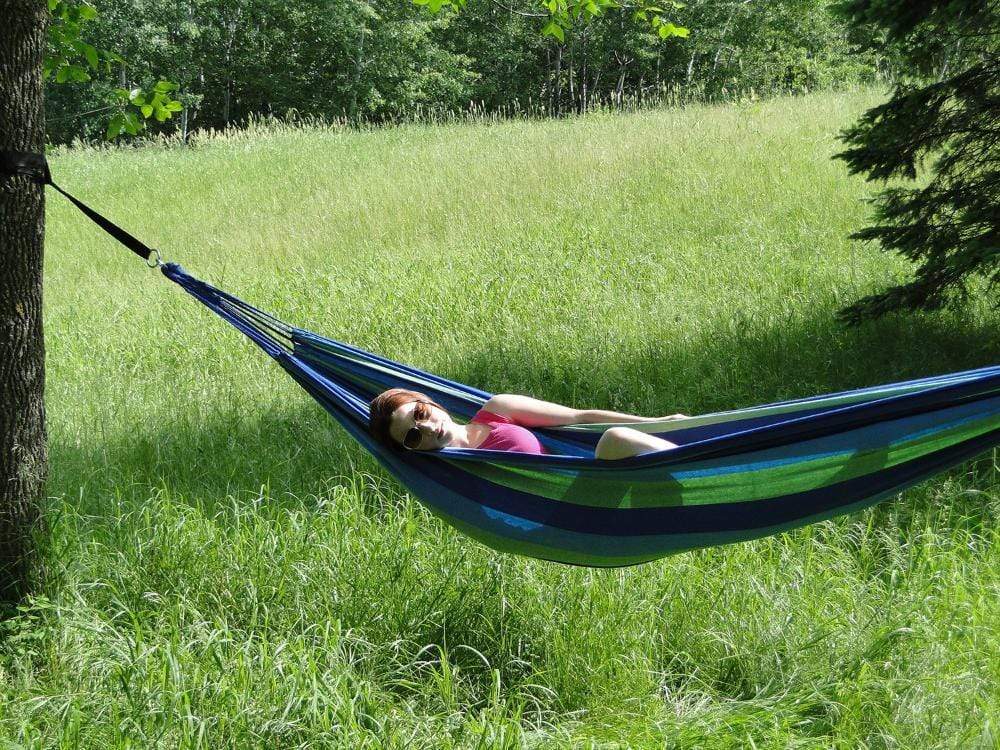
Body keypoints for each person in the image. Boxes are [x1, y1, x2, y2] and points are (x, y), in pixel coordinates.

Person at [369, 388, 686, 459]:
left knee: (616, 438)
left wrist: (656, 421)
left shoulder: (498, 409)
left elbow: (580, 417)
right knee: (616, 440)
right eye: (412, 436)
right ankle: (703, 474)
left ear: (430, 402)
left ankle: (714, 469)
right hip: (571, 509)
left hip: (590, 474)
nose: (425, 428)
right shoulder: (447, 474)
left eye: (421, 414)